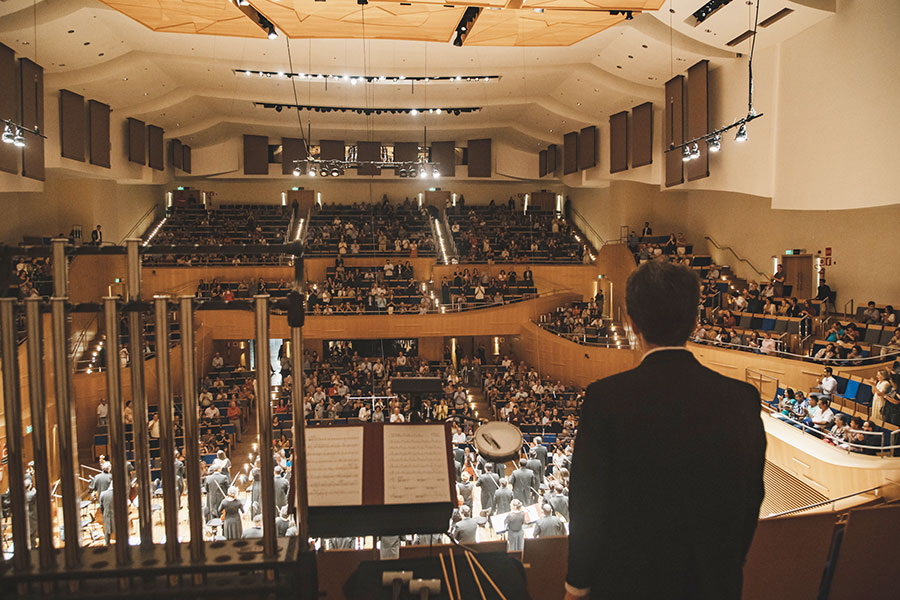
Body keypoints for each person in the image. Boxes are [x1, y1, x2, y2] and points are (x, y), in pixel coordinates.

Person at [565, 260, 766, 600]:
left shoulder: (606, 398)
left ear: (632, 324)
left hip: (626, 586)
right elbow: (750, 496)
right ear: (695, 321)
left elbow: (587, 503)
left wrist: (577, 585)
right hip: (714, 586)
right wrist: (724, 568)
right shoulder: (741, 398)